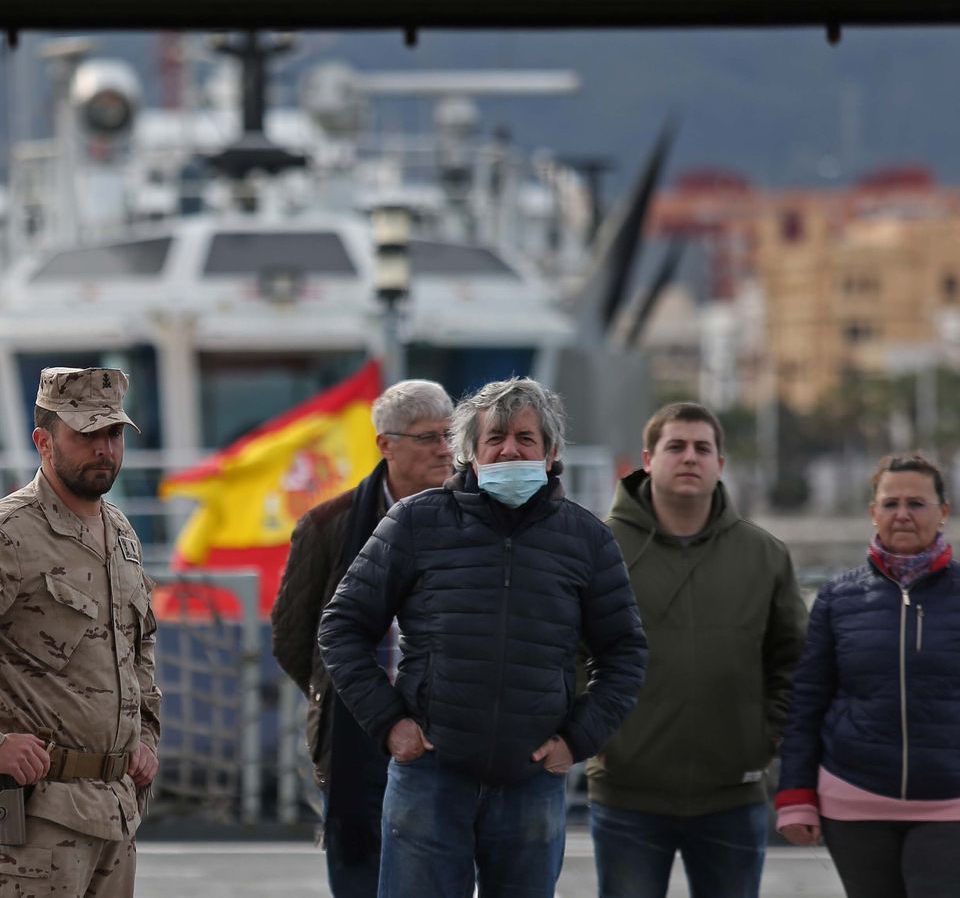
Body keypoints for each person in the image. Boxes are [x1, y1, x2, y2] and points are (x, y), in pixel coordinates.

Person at [318, 376, 646, 898]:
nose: (509, 449)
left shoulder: (587, 539)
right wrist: (389, 723)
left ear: (551, 452)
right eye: (494, 438)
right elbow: (342, 626)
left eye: (525, 438)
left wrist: (578, 739)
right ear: (469, 451)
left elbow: (625, 651)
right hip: (429, 773)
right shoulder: (416, 522)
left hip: (532, 780)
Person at [0, 367, 161, 898]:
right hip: (34, 822)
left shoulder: (120, 533)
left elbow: (140, 648)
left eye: (113, 434)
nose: (105, 449)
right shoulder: (6, 534)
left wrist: (147, 738)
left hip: (115, 813)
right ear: (43, 441)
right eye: (86, 435)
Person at [588, 402, 809, 898]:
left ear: (720, 464)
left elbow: (792, 657)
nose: (690, 458)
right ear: (648, 458)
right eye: (676, 447)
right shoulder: (600, 547)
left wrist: (767, 731)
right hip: (627, 793)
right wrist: (594, 731)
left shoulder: (764, 553)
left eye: (702, 448)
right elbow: (568, 650)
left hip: (733, 792)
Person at [269, 378, 455, 898]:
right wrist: (362, 702)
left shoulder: (477, 517)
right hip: (360, 738)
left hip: (455, 734)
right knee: (361, 877)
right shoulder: (329, 525)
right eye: (426, 437)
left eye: (450, 434)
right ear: (385, 445)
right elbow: (293, 637)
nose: (444, 448)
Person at [777, 454, 960, 896]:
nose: (902, 514)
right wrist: (795, 795)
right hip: (854, 801)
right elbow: (808, 702)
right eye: (890, 502)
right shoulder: (838, 597)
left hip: (950, 803)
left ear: (943, 512)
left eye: (916, 503)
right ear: (873, 511)